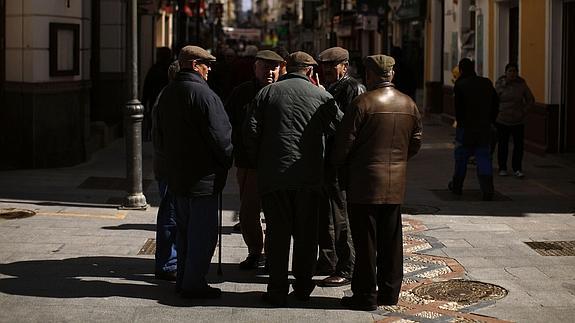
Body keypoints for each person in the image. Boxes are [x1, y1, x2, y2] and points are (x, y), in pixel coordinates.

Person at [244, 51, 342, 306]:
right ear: (310, 71)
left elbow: (250, 131)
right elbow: (340, 129)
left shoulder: (266, 93)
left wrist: (262, 163)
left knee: (277, 234)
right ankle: (302, 287)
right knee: (306, 236)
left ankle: (276, 289)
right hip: (309, 178)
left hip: (274, 177)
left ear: (287, 68)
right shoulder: (322, 96)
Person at [332, 54, 422, 311]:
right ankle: (390, 292)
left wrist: (341, 167)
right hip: (395, 186)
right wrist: (397, 162)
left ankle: (365, 295)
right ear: (391, 75)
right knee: (392, 243)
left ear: (370, 75)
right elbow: (415, 143)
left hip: (363, 186)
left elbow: (344, 145)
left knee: (365, 244)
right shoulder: (408, 104)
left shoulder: (362, 103)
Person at [155, 45, 233, 299]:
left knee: (185, 233)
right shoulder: (204, 95)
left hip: (178, 177)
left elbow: (159, 137)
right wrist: (226, 161)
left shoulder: (168, 93)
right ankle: (193, 283)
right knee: (202, 235)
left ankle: (184, 279)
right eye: (205, 64)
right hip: (202, 179)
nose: (209, 69)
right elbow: (221, 138)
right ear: (193, 64)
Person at [225, 50, 284, 270]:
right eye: (266, 67)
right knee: (249, 211)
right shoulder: (242, 92)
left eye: (275, 67)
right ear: (255, 67)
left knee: (275, 213)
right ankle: (254, 252)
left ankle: (271, 254)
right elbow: (229, 123)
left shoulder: (284, 92)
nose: (270, 71)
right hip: (249, 163)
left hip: (277, 163)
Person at [314, 46, 365, 287]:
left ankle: (348, 266)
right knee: (324, 214)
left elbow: (347, 127)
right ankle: (327, 259)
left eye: (331, 66)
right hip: (326, 160)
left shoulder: (352, 88)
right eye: (323, 66)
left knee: (340, 215)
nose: (326, 70)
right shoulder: (332, 87)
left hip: (341, 162)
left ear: (345, 66)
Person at [448, 58, 499, 201]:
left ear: (461, 69)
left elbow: (458, 109)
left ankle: (457, 186)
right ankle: (487, 189)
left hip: (466, 128)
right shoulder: (486, 82)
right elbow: (496, 103)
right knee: (483, 157)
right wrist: (491, 120)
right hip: (484, 127)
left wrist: (461, 123)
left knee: (461, 158)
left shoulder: (460, 84)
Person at [151, 60, 180, 282]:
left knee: (172, 214)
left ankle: (172, 260)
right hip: (171, 166)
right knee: (170, 215)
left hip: (168, 165)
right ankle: (168, 263)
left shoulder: (167, 95)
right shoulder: (170, 98)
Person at [495, 63, 534, 178]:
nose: (512, 74)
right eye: (510, 71)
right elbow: (494, 99)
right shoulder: (500, 84)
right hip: (502, 119)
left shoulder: (522, 85)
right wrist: (497, 112)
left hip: (518, 120)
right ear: (505, 72)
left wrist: (524, 111)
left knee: (519, 146)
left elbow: (530, 99)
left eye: (515, 71)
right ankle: (502, 167)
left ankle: (517, 168)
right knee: (503, 145)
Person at [143, 47, 173, 141]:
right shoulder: (171, 70)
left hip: (156, 102)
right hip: (167, 103)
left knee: (156, 126)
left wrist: (144, 102)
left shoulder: (154, 69)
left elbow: (146, 88)